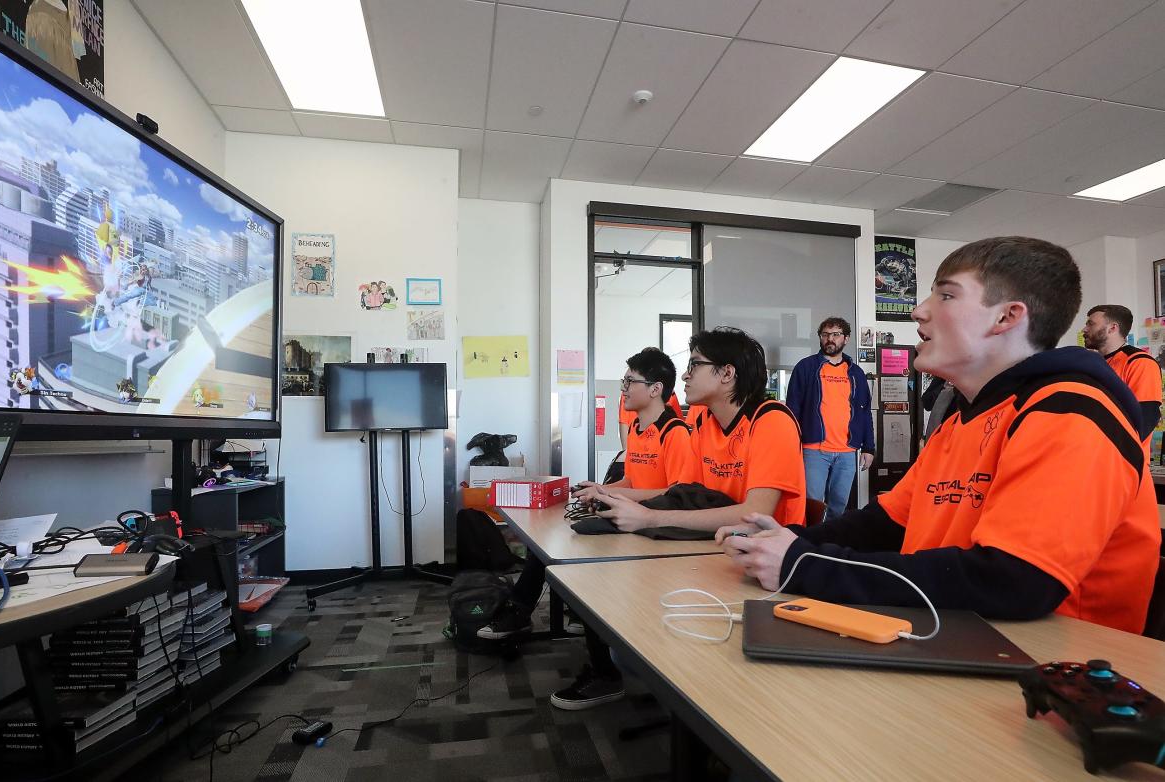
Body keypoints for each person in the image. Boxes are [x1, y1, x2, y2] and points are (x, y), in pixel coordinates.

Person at [720, 237, 1160, 634]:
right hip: (951, 637)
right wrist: (787, 540)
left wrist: (806, 565)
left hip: (1044, 666)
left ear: (1008, 316)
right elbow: (887, 523)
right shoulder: (961, 422)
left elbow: (1013, 582)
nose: (918, 310)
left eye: (946, 295)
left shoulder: (1071, 411)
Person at [476, 348, 695, 647]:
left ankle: (551, 620)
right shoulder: (637, 428)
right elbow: (632, 479)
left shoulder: (675, 433)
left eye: (631, 382)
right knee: (552, 540)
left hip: (652, 526)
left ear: (656, 389)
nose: (624, 390)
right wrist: (601, 489)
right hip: (626, 514)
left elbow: (676, 494)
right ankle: (550, 612)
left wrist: (609, 493)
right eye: (624, 381)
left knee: (570, 542)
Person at [587, 327, 807, 531]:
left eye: (695, 365)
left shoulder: (771, 420)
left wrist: (649, 517)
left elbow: (756, 516)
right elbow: (684, 495)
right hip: (715, 546)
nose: (685, 375)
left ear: (727, 373)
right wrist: (614, 500)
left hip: (770, 557)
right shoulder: (705, 423)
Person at [785, 318, 875, 521]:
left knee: (839, 506)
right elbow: (793, 409)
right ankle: (808, 544)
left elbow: (864, 411)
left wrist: (869, 448)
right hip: (813, 450)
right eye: (825, 335)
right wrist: (791, 444)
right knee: (812, 504)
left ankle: (829, 546)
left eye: (835, 335)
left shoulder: (856, 373)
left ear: (846, 338)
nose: (829, 339)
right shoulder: (806, 367)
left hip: (847, 452)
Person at [1082, 304, 1162, 439]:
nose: (1084, 329)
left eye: (1091, 324)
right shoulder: (1091, 364)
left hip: (1122, 458)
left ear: (1113, 328)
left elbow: (1144, 421)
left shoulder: (1140, 362)